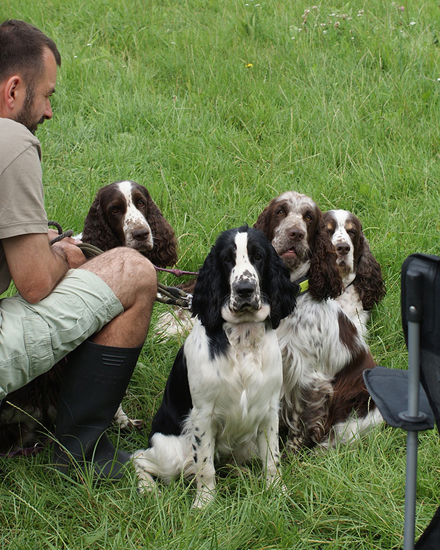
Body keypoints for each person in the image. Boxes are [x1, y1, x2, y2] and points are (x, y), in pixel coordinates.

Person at [0, 20, 157, 479]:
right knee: (132, 269)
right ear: (13, 89)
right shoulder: (9, 138)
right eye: (47, 94)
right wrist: (65, 254)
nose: (48, 111)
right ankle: (82, 455)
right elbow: (34, 282)